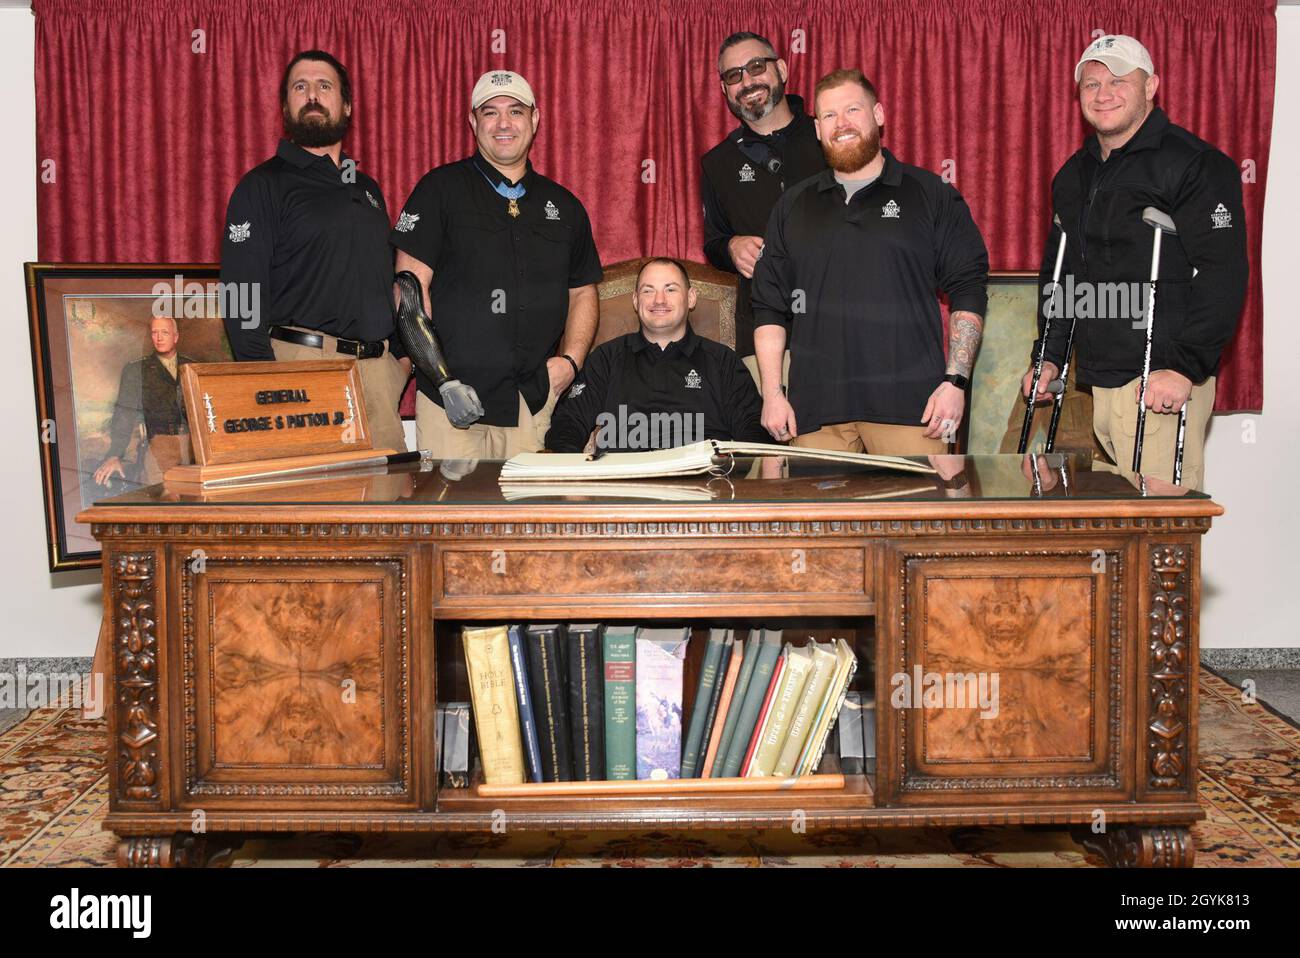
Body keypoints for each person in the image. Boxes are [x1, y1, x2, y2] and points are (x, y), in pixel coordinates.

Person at [1022, 35, 1247, 491]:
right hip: (1095, 381)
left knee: (1157, 533)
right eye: (1091, 84)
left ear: (1151, 87)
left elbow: (1223, 273)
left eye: (1119, 80)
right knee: (1109, 534)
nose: (1103, 93)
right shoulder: (1073, 174)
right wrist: (1049, 356)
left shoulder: (1194, 164)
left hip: (1157, 379)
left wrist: (1184, 367)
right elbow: (1064, 274)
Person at [750, 69, 990, 455]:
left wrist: (955, 383)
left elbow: (968, 289)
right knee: (822, 519)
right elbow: (769, 308)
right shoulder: (792, 205)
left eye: (852, 110)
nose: (840, 124)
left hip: (913, 411)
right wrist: (773, 394)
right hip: (815, 413)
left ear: (878, 114)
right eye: (828, 116)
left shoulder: (931, 195)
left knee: (912, 517)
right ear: (817, 129)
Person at [390, 70, 602, 458]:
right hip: (449, 403)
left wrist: (570, 363)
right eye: (490, 112)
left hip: (530, 403)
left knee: (526, 518)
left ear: (534, 119)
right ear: (473, 122)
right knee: (452, 517)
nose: (503, 123)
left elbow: (584, 290)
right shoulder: (438, 189)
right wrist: (441, 379)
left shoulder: (565, 206)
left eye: (516, 112)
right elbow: (408, 288)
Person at [220, 49, 409, 453]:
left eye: (324, 86)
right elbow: (241, 294)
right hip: (301, 371)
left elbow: (386, 280)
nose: (312, 95)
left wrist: (400, 364)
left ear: (347, 106)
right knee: (311, 511)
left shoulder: (367, 188)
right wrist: (265, 385)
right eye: (300, 87)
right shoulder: (262, 186)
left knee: (388, 508)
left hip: (377, 377)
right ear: (286, 107)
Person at [544, 258, 767, 453]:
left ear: (690, 298)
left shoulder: (722, 361)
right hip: (624, 487)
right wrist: (571, 478)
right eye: (648, 290)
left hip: (705, 488)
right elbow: (568, 423)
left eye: (670, 289)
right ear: (635, 300)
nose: (659, 300)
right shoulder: (606, 358)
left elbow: (754, 432)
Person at [701, 32, 826, 375]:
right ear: (724, 89)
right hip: (765, 336)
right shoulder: (716, 163)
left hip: (840, 328)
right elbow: (712, 242)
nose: (747, 81)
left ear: (782, 69)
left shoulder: (828, 135)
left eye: (757, 66)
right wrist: (731, 246)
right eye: (734, 74)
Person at [93, 316, 194, 486]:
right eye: (155, 333)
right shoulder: (135, 370)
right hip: (159, 447)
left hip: (194, 448)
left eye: (165, 332)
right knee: (163, 501)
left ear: (176, 337)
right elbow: (124, 414)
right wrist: (114, 455)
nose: (159, 338)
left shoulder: (193, 367)